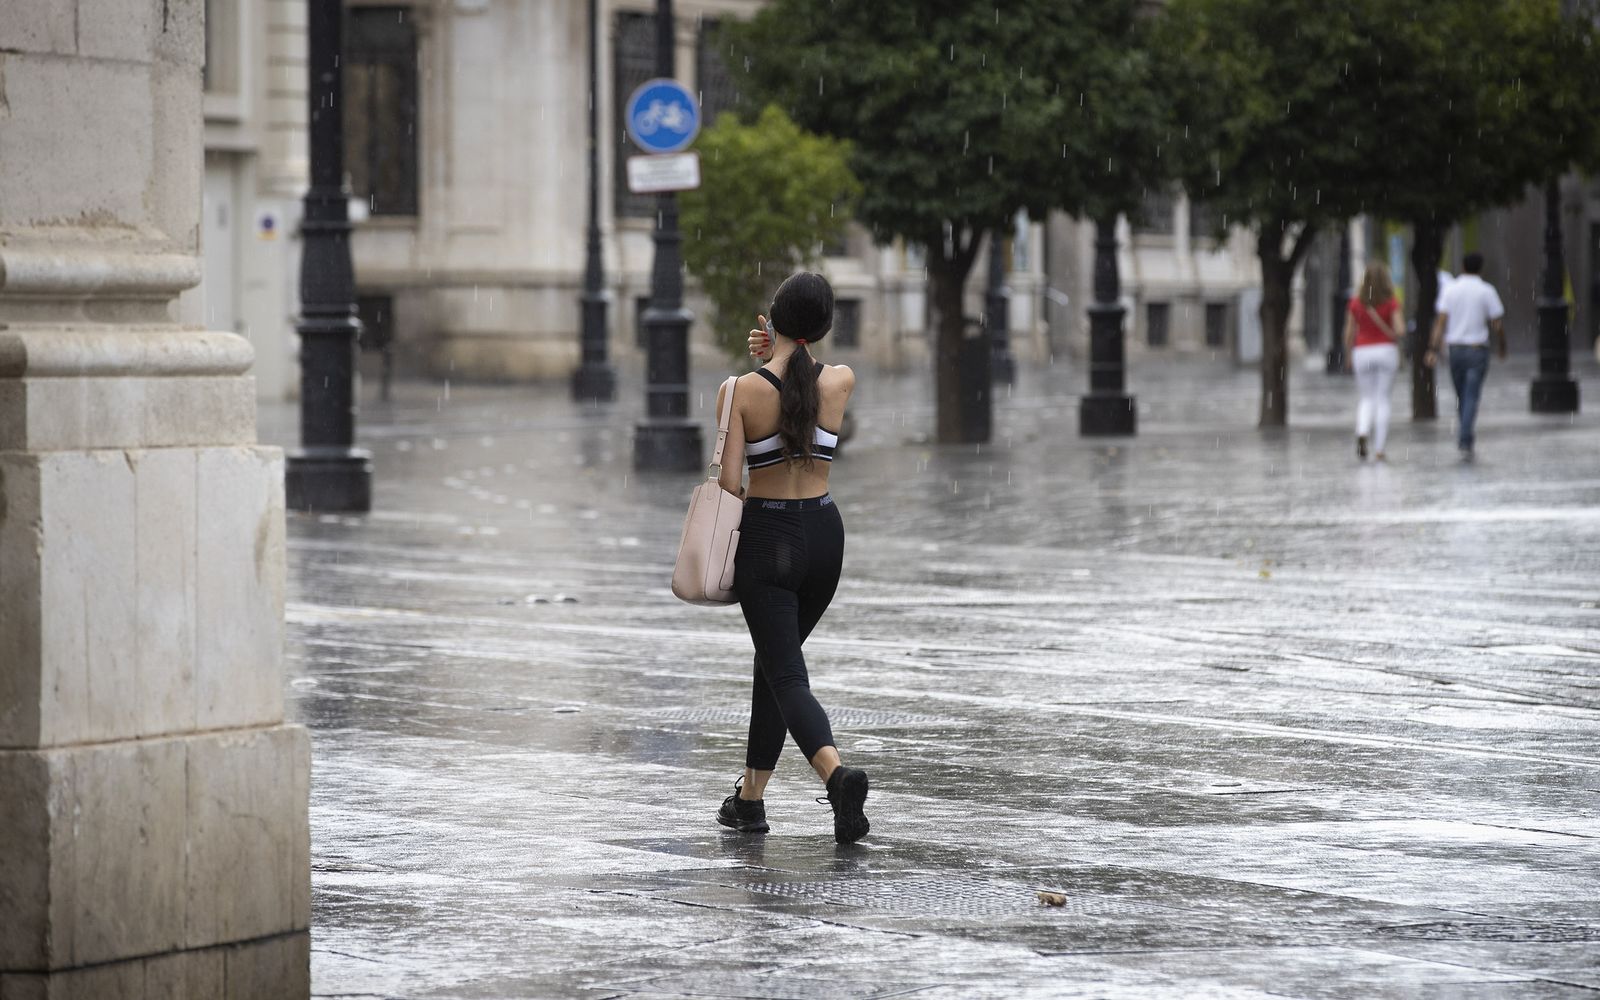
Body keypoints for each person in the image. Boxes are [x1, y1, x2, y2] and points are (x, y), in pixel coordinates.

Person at [710, 272, 870, 845]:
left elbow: (729, 482)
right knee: (774, 664)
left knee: (784, 673)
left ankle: (837, 776)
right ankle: (750, 800)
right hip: (825, 535)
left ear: (773, 319)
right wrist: (780, 352)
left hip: (769, 537)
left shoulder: (740, 391)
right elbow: (801, 378)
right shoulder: (841, 380)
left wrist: (756, 370)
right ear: (823, 327)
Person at [1426, 252, 1506, 462]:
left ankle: (1465, 434)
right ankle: (1465, 436)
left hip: (1456, 350)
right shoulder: (1486, 290)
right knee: (1471, 394)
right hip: (1477, 349)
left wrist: (1432, 348)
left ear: (1462, 266)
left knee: (1462, 394)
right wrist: (1502, 344)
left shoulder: (1451, 290)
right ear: (1481, 268)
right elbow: (1497, 323)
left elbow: (1441, 322)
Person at [1343, 262, 1406, 461]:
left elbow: (1349, 333)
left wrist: (1348, 353)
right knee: (1383, 399)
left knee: (1366, 398)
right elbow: (1400, 330)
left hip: (1362, 351)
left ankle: (1362, 430)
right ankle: (1379, 448)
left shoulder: (1355, 303)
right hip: (1386, 351)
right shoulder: (1391, 302)